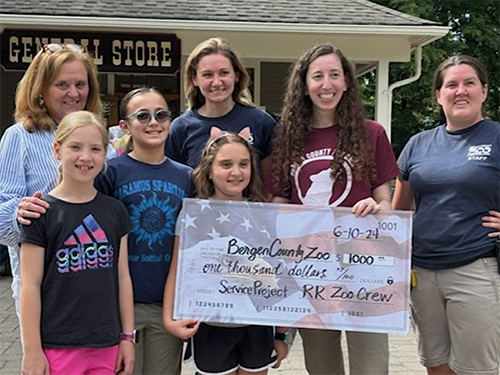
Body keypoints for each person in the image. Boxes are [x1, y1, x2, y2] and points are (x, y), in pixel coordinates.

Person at [265, 44, 399, 375]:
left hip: (363, 267)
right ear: (304, 84)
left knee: (371, 366)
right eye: (318, 76)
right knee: (321, 366)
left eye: (335, 75)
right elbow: (278, 204)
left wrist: (377, 206)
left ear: (347, 82)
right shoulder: (286, 138)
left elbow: (386, 202)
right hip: (311, 270)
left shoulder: (372, 133)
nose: (327, 85)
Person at [393, 55, 500, 375]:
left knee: (476, 368)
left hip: (475, 267)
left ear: (484, 91)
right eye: (451, 85)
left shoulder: (495, 136)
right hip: (422, 273)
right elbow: (399, 210)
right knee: (436, 364)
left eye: (469, 83)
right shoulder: (418, 144)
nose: (460, 91)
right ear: (439, 95)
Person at [163, 128, 289, 375]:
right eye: (226, 164)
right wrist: (170, 320)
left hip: (257, 325)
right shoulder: (194, 214)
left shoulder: (263, 214)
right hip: (211, 325)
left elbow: (278, 276)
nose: (236, 172)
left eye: (244, 164)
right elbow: (177, 270)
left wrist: (282, 335)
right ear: (209, 170)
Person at [19, 111, 134, 375]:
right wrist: (32, 350)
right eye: (75, 147)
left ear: (105, 153)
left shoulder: (116, 211)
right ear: (57, 150)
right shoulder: (40, 213)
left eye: (95, 149)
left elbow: (123, 278)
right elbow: (30, 286)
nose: (85, 157)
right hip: (57, 345)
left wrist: (127, 338)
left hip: (107, 342)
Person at [95, 87, 193, 375]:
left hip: (167, 305)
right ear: (124, 126)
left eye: (161, 114)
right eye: (143, 116)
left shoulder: (186, 176)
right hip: (122, 304)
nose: (154, 122)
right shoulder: (110, 172)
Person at [0, 43, 102, 319]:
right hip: (43, 290)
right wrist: (19, 214)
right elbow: (1, 224)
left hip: (94, 282)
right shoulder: (20, 137)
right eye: (62, 85)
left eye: (81, 84)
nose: (74, 93)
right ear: (41, 90)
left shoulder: (97, 136)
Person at [165, 37, 275, 170]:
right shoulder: (180, 129)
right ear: (194, 79)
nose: (216, 82)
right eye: (207, 75)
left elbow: (271, 185)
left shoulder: (262, 123)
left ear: (237, 75)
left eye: (224, 73)